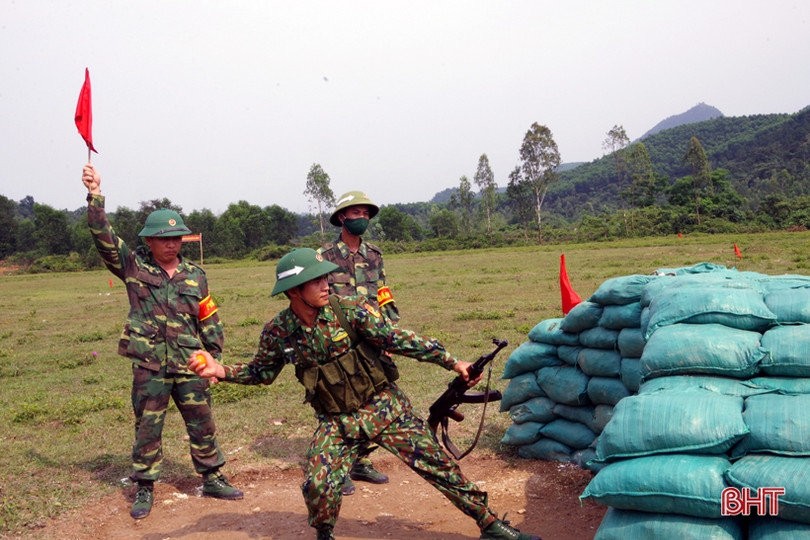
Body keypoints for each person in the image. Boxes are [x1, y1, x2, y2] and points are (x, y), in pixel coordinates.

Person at [188, 248, 543, 540]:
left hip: (385, 409)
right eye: (315, 280)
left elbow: (398, 339)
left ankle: (490, 524)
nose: (325, 284)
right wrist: (220, 370)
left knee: (440, 467)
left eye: (325, 276)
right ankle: (324, 534)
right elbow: (260, 373)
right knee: (319, 484)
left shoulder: (349, 310)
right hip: (337, 422)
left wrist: (452, 362)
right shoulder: (279, 332)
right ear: (294, 291)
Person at [81, 164, 243, 520]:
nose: (171, 243)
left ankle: (213, 476)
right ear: (149, 241)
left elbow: (208, 317)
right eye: (163, 238)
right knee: (147, 426)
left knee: (202, 421)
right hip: (151, 364)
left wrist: (213, 358)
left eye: (177, 238)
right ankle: (144, 485)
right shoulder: (133, 267)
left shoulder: (195, 276)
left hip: (189, 363)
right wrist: (95, 196)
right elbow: (104, 238)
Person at [317, 191, 397, 495]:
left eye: (365, 213)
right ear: (341, 218)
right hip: (337, 340)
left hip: (370, 337)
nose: (361, 218)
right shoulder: (324, 256)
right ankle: (338, 463)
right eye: (355, 213)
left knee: (369, 398)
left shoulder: (374, 255)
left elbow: (384, 293)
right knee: (337, 400)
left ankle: (361, 460)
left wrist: (387, 333)